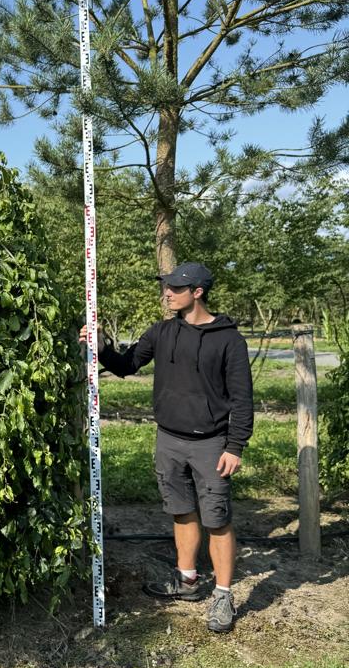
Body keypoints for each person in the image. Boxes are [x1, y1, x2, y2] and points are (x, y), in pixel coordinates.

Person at [80, 262, 253, 633]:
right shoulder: (161, 332)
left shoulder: (228, 340)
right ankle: (187, 580)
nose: (167, 293)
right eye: (167, 287)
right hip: (169, 439)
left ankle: (222, 595)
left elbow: (241, 399)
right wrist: (101, 347)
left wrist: (234, 445)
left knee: (217, 519)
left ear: (198, 292)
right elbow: (127, 365)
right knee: (181, 510)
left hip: (212, 443)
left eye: (175, 288)